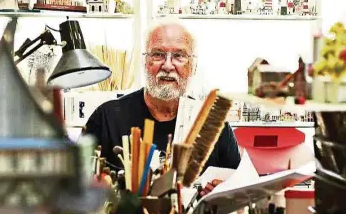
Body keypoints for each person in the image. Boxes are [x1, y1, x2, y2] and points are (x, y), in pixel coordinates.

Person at [84, 21, 241, 173]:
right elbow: (73, 187)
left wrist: (221, 187)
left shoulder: (213, 124)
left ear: (193, 66)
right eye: (158, 54)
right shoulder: (106, 118)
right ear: (145, 62)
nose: (167, 65)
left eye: (179, 55)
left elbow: (238, 189)